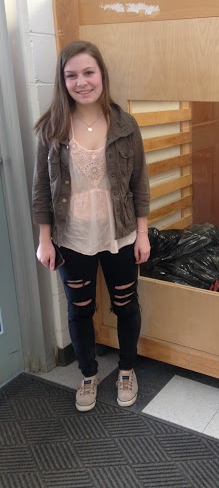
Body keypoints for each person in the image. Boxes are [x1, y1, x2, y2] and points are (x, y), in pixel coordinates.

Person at [32, 40, 150, 412]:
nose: (81, 82)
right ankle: (87, 374)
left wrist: (143, 234)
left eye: (88, 72)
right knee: (79, 309)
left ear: (101, 75)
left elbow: (140, 184)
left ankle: (127, 369)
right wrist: (44, 241)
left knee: (125, 305)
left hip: (122, 234)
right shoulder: (51, 129)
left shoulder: (125, 125)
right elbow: (41, 190)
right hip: (71, 238)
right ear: (62, 80)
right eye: (71, 75)